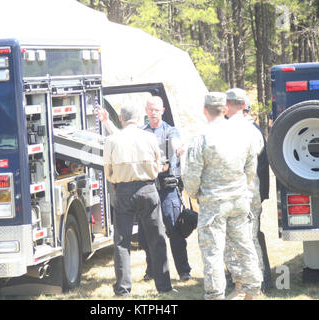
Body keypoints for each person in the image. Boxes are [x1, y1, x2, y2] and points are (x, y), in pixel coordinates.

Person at [98, 97, 192, 282]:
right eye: (150, 109)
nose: (153, 113)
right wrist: (107, 122)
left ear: (162, 110)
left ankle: (183, 271)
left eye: (156, 109)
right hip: (147, 188)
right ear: (145, 112)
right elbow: (120, 137)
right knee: (147, 234)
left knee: (174, 230)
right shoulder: (142, 132)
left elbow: (176, 144)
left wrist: (180, 149)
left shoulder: (170, 131)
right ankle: (152, 271)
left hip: (166, 189)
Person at [182, 92, 263, 300]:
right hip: (239, 200)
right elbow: (251, 167)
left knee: (213, 254)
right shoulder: (243, 134)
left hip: (213, 204)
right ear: (225, 109)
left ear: (204, 111)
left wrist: (195, 194)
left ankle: (216, 295)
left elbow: (191, 175)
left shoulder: (201, 138)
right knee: (245, 247)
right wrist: (242, 188)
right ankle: (253, 292)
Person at [103, 104, 174, 297]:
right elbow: (159, 163)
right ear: (139, 117)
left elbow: (107, 169)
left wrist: (116, 179)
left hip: (123, 191)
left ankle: (123, 288)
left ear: (120, 117)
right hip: (148, 189)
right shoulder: (149, 137)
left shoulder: (112, 140)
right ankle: (164, 286)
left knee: (122, 242)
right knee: (157, 238)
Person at [223, 88, 272, 299]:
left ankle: (249, 286)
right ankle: (254, 284)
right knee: (249, 239)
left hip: (243, 192)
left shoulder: (245, 131)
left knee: (244, 240)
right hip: (248, 193)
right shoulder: (252, 130)